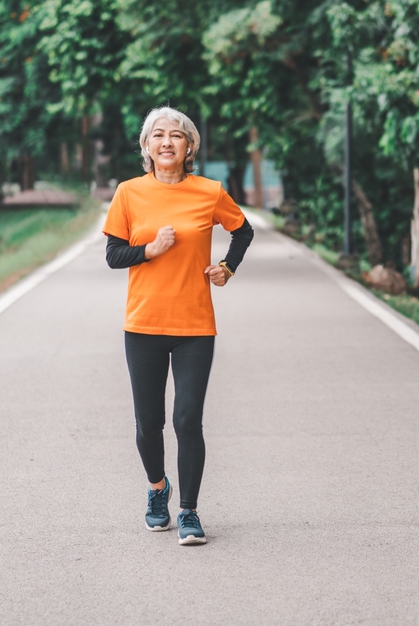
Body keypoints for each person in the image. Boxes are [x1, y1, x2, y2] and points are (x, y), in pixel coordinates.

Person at [103, 106, 253, 545]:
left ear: (190, 147)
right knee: (149, 423)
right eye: (158, 135)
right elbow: (114, 256)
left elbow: (242, 231)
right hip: (144, 324)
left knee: (188, 420)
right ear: (147, 147)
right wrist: (149, 249)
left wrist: (227, 266)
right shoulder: (129, 193)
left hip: (194, 326)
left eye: (176, 136)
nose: (167, 142)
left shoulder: (209, 192)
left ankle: (188, 511)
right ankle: (157, 491)